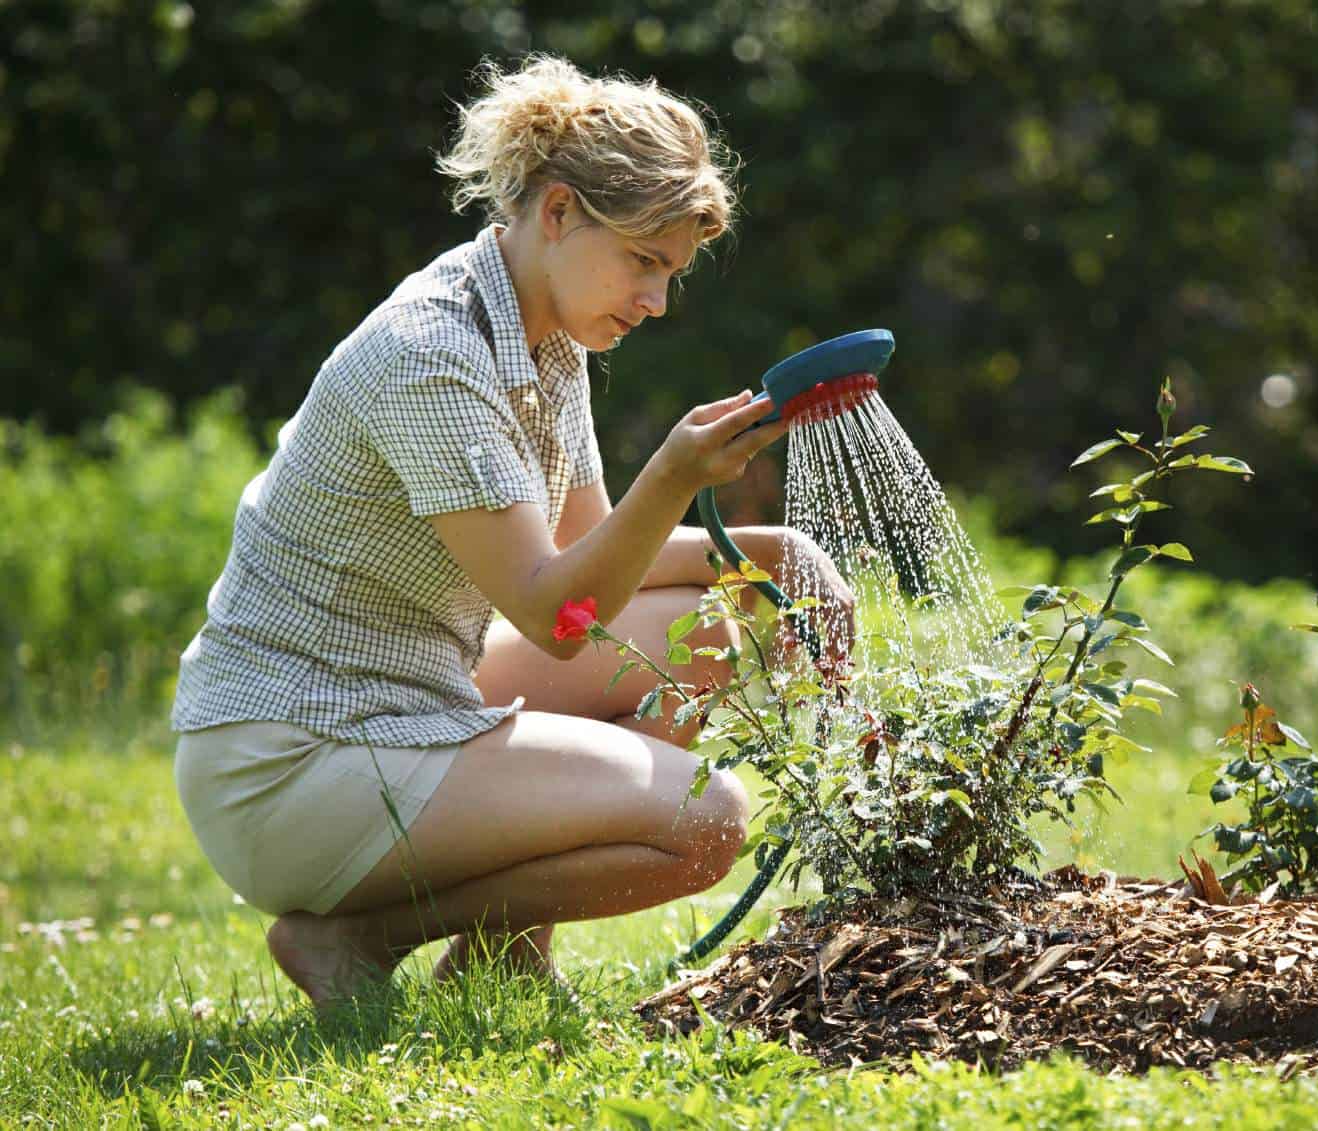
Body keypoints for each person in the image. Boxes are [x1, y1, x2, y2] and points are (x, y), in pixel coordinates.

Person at [170, 55, 852, 1006]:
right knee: (707, 821)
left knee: (701, 625)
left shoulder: (545, 338)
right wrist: (673, 473)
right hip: (291, 761)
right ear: (560, 212)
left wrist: (777, 554)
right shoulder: (434, 357)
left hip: (406, 698)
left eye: (671, 273)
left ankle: (502, 956)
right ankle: (362, 935)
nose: (656, 301)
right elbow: (558, 613)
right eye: (644, 264)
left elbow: (592, 563)